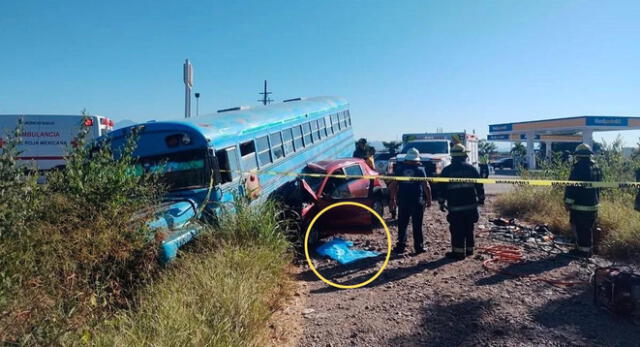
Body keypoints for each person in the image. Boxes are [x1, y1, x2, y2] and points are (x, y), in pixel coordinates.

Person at [438, 144, 485, 260]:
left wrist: (441, 202)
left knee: (457, 229)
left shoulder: (447, 170)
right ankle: (469, 250)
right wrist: (481, 198)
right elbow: (479, 185)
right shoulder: (471, 169)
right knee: (469, 227)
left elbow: (441, 188)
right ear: (464, 155)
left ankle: (458, 253)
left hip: (455, 207)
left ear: (452, 156)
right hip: (470, 206)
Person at [389, 148, 432, 254]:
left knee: (402, 224)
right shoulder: (420, 170)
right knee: (417, 225)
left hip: (403, 201)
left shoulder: (399, 169)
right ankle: (419, 247)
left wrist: (392, 199)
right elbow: (426, 185)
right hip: (417, 201)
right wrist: (429, 199)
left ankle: (400, 247)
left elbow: (394, 185)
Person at [564, 143, 602, 257]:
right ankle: (591, 249)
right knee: (589, 227)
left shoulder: (578, 167)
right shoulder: (596, 166)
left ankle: (583, 252)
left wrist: (568, 202)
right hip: (593, 203)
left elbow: (573, 187)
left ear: (578, 155)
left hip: (580, 205)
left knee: (581, 228)